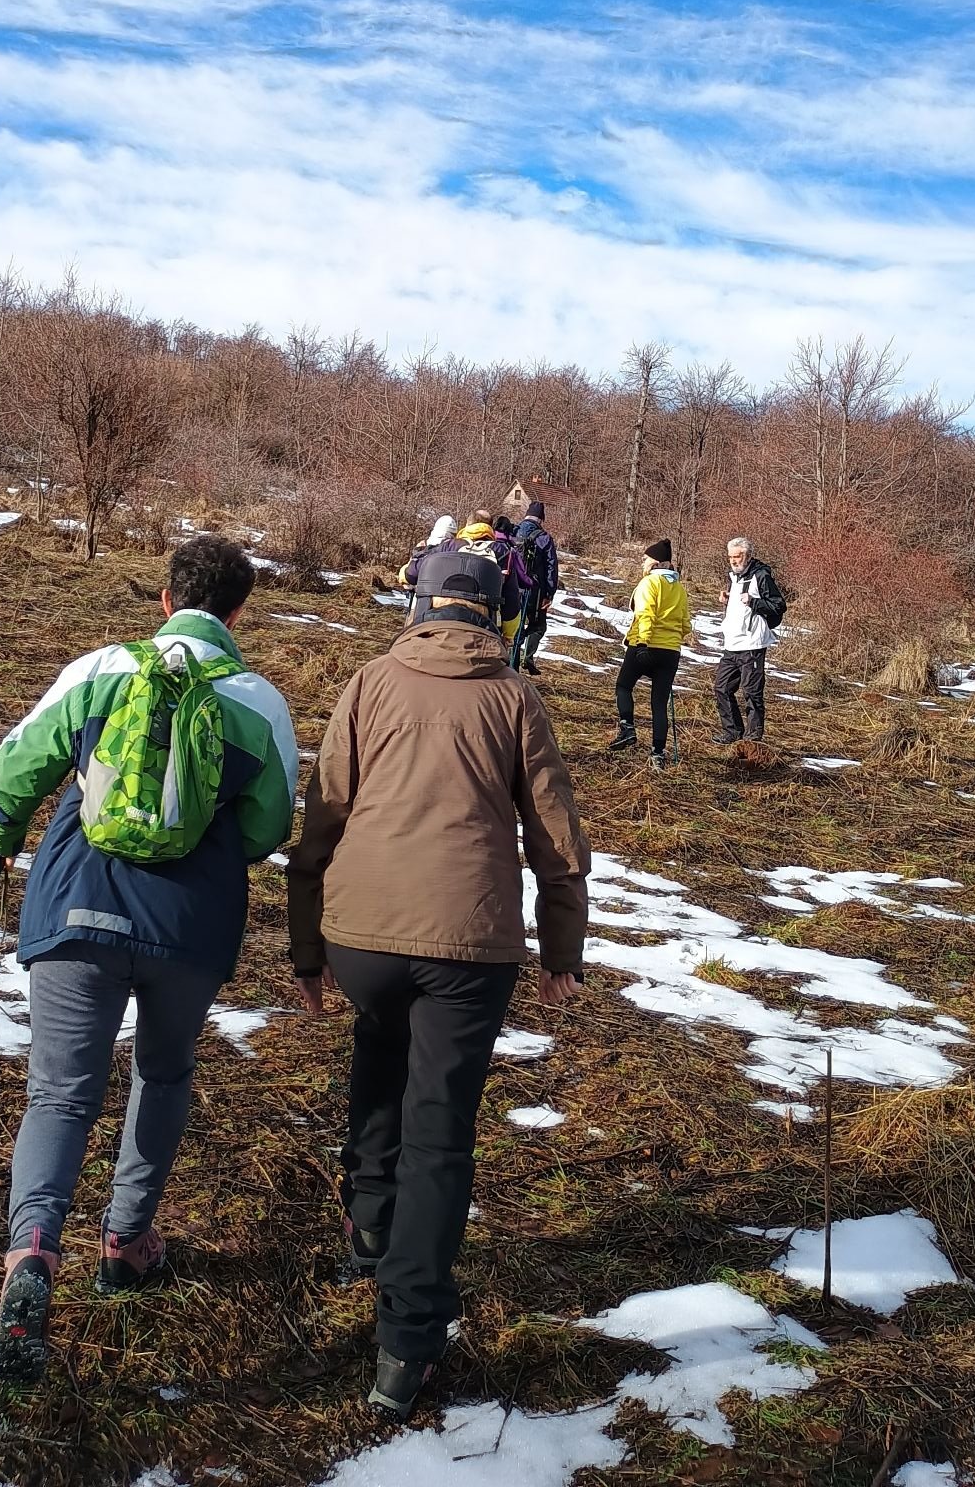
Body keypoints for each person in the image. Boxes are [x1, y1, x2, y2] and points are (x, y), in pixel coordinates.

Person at [0, 534, 299, 1384]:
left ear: (165, 600)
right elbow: (269, 827)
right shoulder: (259, 702)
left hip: (77, 907)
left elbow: (19, 764)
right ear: (238, 613)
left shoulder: (100, 669)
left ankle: (32, 1254)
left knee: (60, 1094)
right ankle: (125, 1243)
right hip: (188, 926)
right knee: (163, 1072)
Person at [288, 544, 589, 1421]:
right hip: (470, 943)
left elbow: (322, 818)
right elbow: (555, 832)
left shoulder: (369, 683)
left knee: (381, 1046)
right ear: (495, 617)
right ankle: (406, 1345)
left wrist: (308, 951)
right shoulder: (516, 696)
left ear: (418, 607)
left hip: (362, 936)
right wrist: (561, 949)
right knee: (440, 1133)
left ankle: (368, 1222)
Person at [610, 540, 691, 771]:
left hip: (644, 645)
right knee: (659, 704)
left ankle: (627, 728)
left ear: (655, 562)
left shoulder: (649, 583)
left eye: (645, 558)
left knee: (623, 686)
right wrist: (673, 639)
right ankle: (658, 755)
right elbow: (686, 624)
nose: (642, 562)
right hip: (670, 651)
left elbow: (646, 614)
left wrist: (643, 642)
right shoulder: (679, 588)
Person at [712, 536, 786, 744]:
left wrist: (754, 602)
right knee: (721, 688)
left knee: (751, 692)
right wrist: (728, 600)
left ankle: (752, 739)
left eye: (737, 556)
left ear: (748, 555)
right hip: (732, 644)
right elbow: (740, 606)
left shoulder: (761, 575)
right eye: (730, 557)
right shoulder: (733, 577)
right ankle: (732, 732)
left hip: (752, 644)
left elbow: (779, 605)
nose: (733, 560)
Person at [512, 499, 561, 674]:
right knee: (539, 625)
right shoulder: (544, 538)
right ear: (541, 519)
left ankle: (512, 666)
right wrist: (549, 594)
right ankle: (528, 656)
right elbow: (551, 568)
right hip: (535, 590)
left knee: (514, 626)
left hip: (513, 588)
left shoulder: (513, 532)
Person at [491, 514, 535, 644]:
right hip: (503, 599)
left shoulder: (484, 544)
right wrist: (531, 582)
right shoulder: (510, 551)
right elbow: (522, 577)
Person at [399, 514, 456, 592]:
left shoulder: (425, 549)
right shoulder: (456, 550)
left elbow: (411, 575)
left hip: (425, 592)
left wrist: (416, 554)